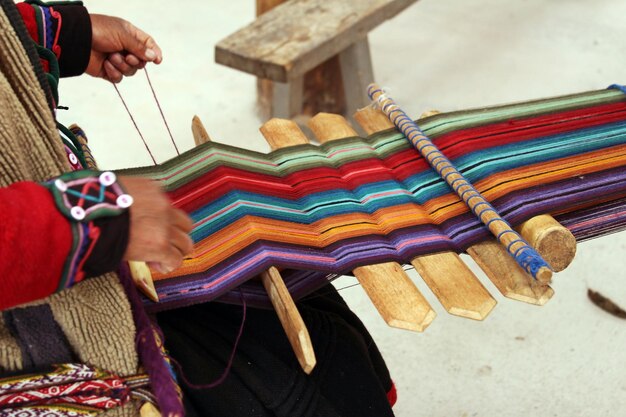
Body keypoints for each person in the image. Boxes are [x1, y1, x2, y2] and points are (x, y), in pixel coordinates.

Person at [0, 1, 397, 416]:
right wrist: (86, 222)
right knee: (264, 381)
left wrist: (57, 34)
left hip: (47, 221)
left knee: (315, 312)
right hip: (30, 303)